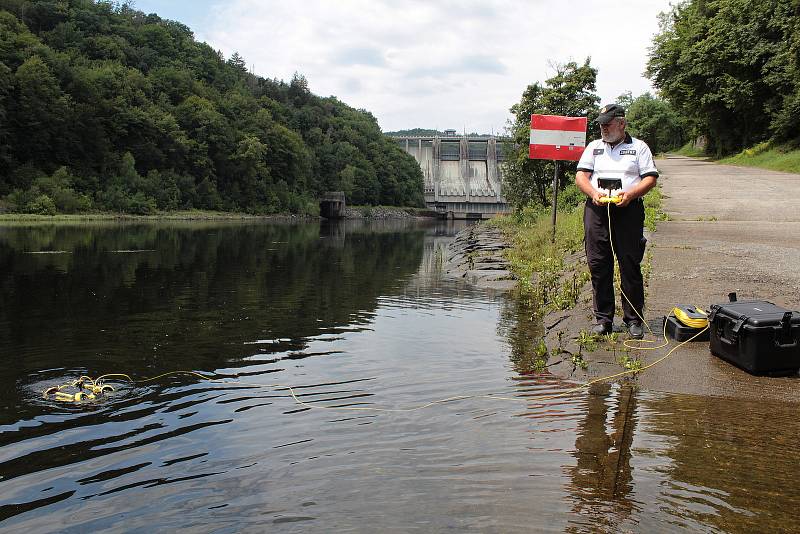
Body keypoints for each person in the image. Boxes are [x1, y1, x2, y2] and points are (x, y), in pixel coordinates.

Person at [575, 104, 659, 339]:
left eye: (608, 123)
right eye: (601, 123)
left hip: (628, 209)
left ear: (621, 123)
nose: (603, 127)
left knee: (629, 264)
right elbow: (581, 176)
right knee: (598, 264)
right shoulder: (594, 147)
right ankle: (603, 319)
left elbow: (650, 178)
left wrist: (630, 195)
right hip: (598, 210)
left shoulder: (638, 147)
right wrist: (593, 193)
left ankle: (633, 319)